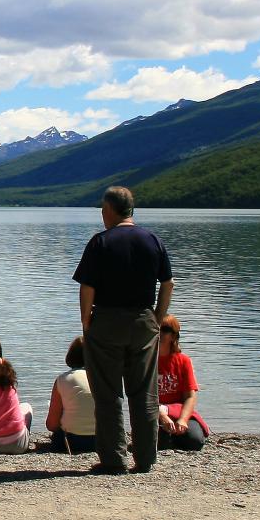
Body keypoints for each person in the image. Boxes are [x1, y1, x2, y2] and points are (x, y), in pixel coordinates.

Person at [72, 185, 174, 475]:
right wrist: (157, 316)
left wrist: (85, 320)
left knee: (107, 393)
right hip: (143, 322)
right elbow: (168, 283)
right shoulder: (152, 240)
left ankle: (114, 459)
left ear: (109, 210)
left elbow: (87, 286)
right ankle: (145, 459)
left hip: (106, 320)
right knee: (143, 392)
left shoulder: (100, 242)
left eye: (103, 210)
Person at [156, 315, 209, 451]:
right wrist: (161, 415)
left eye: (165, 329)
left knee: (195, 442)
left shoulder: (183, 361)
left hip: (177, 411)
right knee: (160, 445)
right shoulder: (145, 361)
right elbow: (141, 396)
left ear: (174, 337)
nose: (160, 332)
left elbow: (190, 396)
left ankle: (175, 436)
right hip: (153, 412)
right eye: (157, 328)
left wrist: (183, 420)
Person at [46, 335, 98, 455]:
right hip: (105, 441)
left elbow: (51, 425)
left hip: (72, 441)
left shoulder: (63, 379)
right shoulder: (105, 379)